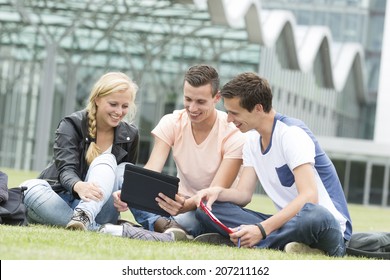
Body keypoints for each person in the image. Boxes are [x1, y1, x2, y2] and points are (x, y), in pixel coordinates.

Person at [194, 72, 352, 256]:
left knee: (314, 215)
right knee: (208, 209)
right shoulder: (252, 140)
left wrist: (261, 229)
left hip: (327, 226)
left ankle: (245, 240)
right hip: (287, 224)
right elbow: (243, 194)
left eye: (234, 113)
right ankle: (287, 245)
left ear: (258, 108)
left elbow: (310, 196)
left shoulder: (292, 134)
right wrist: (217, 192)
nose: (229, 119)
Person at [101, 65, 246, 240]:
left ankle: (156, 227)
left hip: (208, 209)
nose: (192, 108)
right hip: (174, 205)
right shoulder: (172, 122)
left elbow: (213, 193)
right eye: (188, 99)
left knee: (197, 218)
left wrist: (184, 206)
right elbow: (152, 170)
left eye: (200, 102)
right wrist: (129, 193)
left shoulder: (232, 133)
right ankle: (169, 227)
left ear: (216, 98)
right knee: (126, 176)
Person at [21, 72, 139, 231]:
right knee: (29, 188)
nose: (119, 112)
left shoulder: (130, 135)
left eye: (125, 106)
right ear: (97, 99)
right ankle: (101, 229)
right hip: (59, 199)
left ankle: (85, 215)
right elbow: (66, 169)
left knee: (109, 161)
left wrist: (122, 195)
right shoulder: (72, 124)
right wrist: (79, 186)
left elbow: (125, 179)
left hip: (100, 209)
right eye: (113, 104)